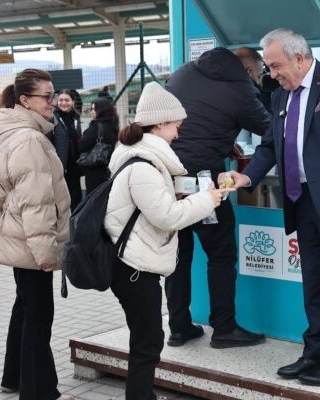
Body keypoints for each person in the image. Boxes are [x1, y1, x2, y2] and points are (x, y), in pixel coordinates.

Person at [220, 28, 320, 386]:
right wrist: (245, 178)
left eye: (276, 65)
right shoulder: (279, 97)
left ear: (299, 58)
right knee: (315, 284)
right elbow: (268, 147)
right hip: (302, 202)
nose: (271, 73)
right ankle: (315, 354)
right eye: (268, 66)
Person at [104, 82, 232, 399]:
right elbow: (168, 217)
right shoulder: (145, 163)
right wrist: (209, 198)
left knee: (145, 339)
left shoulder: (136, 155)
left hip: (131, 260)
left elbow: (154, 203)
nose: (178, 133)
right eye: (176, 125)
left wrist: (191, 192)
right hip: (135, 267)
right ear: (160, 123)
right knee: (147, 343)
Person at [164, 47, 270, 349]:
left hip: (170, 180)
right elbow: (270, 128)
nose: (262, 80)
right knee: (221, 255)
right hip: (203, 183)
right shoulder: (240, 88)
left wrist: (225, 144)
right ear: (249, 71)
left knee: (178, 256)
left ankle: (178, 327)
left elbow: (196, 122)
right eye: (261, 75)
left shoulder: (184, 71)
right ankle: (224, 328)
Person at [0, 69, 72, 399]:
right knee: (38, 319)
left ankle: (13, 377)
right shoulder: (30, 139)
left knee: (25, 309)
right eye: (46, 97)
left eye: (53, 94)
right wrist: (47, 255)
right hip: (31, 243)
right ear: (25, 101)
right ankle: (40, 392)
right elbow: (37, 204)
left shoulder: (13, 133)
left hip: (19, 239)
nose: (52, 102)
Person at [47, 89, 83, 211]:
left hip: (74, 166)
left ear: (72, 102)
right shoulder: (53, 118)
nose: (63, 103)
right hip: (60, 165)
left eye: (67, 100)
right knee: (61, 200)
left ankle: (75, 226)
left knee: (76, 198)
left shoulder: (76, 118)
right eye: (61, 100)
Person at [79, 97, 118, 193]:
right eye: (91, 109)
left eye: (94, 109)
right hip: (105, 167)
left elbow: (82, 146)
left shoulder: (95, 126)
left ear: (101, 110)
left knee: (92, 197)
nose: (92, 112)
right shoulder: (112, 125)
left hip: (93, 168)